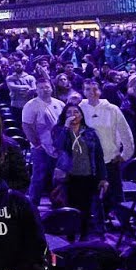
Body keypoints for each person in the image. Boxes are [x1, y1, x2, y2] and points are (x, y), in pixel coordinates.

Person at [79, 79, 134, 219]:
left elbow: (125, 132)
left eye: (94, 89)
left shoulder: (112, 109)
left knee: (116, 195)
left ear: (100, 90)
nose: (92, 92)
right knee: (91, 196)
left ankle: (124, 225)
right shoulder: (78, 109)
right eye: (88, 89)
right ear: (83, 91)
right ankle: (96, 228)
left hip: (110, 159)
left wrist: (125, 154)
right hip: (88, 162)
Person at [51, 102, 108, 238]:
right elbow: (58, 146)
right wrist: (66, 127)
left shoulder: (90, 133)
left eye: (76, 112)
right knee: (70, 209)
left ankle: (84, 237)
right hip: (68, 177)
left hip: (88, 175)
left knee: (86, 209)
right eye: (69, 113)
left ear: (81, 115)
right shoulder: (59, 130)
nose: (73, 115)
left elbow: (99, 156)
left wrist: (103, 178)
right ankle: (70, 237)